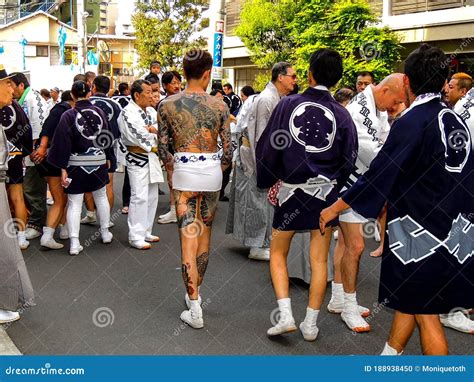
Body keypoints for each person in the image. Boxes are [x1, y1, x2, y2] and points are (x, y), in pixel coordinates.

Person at [320, 44, 473, 355]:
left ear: (407, 82)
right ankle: (390, 357)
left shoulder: (412, 122)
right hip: (457, 230)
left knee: (426, 316)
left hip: (421, 234)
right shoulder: (456, 120)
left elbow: (377, 176)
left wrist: (333, 209)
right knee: (411, 302)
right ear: (444, 80)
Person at [256, 48, 358, 340]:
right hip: (325, 195)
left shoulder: (288, 105)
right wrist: (334, 181)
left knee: (277, 252)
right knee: (319, 261)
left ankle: (285, 314)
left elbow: (270, 146)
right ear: (337, 77)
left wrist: (269, 177)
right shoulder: (342, 114)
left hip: (291, 191)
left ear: (311, 74)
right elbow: (348, 159)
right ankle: (310, 324)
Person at [157, 49, 232, 329]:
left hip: (184, 171)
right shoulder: (220, 106)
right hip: (211, 171)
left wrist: (173, 170)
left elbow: (163, 148)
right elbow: (228, 149)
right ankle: (196, 294)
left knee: (188, 237)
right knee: (204, 236)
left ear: (183, 72)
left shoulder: (167, 104)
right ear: (207, 73)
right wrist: (218, 168)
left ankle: (194, 305)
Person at [328, 74, 406, 333]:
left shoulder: (377, 107)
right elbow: (374, 153)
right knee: (356, 247)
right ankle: (349, 306)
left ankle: (339, 297)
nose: (394, 106)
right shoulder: (360, 109)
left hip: (359, 183)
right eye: (395, 100)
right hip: (350, 184)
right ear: (384, 91)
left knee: (345, 246)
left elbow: (384, 142)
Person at [226, 62, 297, 261]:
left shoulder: (275, 97)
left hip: (261, 155)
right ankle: (256, 246)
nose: (295, 80)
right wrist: (267, 166)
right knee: (256, 202)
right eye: (292, 76)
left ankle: (261, 242)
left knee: (262, 202)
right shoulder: (267, 99)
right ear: (280, 77)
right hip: (256, 156)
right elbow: (260, 136)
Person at [48, 81, 115, 256]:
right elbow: (108, 136)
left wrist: (62, 166)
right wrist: (108, 157)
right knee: (100, 197)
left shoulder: (68, 115)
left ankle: (74, 242)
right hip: (98, 161)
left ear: (72, 94)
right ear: (90, 92)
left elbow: (62, 142)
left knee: (74, 202)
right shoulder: (100, 112)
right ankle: (106, 232)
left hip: (76, 165)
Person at [0, 63, 35, 323]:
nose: (11, 88)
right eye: (6, 83)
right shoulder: (18, 109)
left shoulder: (12, 108)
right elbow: (27, 136)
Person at [119, 79, 163, 250]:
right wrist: (152, 132)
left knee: (152, 196)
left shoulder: (151, 111)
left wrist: (154, 130)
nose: (152, 95)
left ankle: (146, 230)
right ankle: (135, 235)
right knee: (139, 196)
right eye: (148, 92)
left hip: (153, 157)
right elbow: (137, 134)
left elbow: (161, 129)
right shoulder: (127, 112)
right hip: (137, 157)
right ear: (137, 95)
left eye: (152, 92)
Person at [10, 72, 50, 241]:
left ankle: (36, 224)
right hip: (24, 152)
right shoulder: (20, 101)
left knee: (33, 188)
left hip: (33, 151)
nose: (10, 89)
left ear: (21, 85)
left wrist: (39, 148)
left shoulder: (34, 99)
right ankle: (31, 221)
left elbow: (41, 125)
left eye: (11, 85)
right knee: (27, 189)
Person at [33, 90, 75, 249]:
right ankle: (48, 235)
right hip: (53, 158)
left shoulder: (66, 110)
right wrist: (43, 147)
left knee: (64, 197)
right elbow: (48, 127)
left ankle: (64, 228)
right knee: (60, 199)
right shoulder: (62, 109)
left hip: (54, 157)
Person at [81, 75, 121, 227]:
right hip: (108, 146)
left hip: (87, 147)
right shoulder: (115, 104)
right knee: (108, 184)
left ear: (94, 87)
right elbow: (119, 127)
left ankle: (91, 213)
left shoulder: (87, 103)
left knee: (87, 182)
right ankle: (106, 219)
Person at [0, 95, 33, 250]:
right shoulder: (16, 106)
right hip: (14, 153)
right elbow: (27, 129)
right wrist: (23, 150)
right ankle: (21, 237)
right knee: (17, 197)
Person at [156, 71, 183, 225]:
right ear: (165, 85)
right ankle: (174, 210)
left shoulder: (184, 100)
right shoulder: (163, 103)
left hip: (185, 146)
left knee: (182, 177)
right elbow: (162, 130)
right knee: (172, 178)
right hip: (171, 146)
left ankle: (179, 210)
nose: (177, 85)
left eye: (178, 81)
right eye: (173, 82)